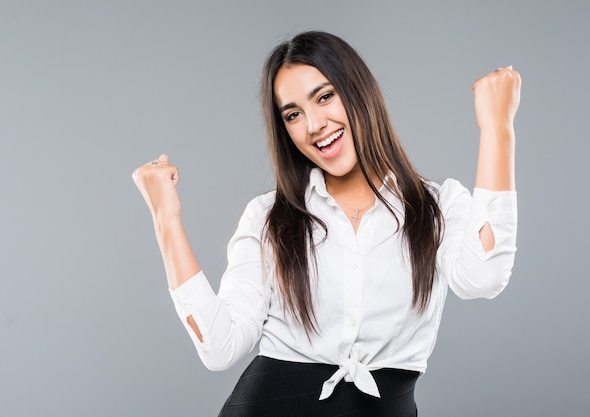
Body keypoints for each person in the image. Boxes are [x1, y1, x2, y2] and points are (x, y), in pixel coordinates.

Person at [132, 31, 520, 416]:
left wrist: (496, 129)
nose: (315, 124)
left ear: (358, 91)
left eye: (324, 96)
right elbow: (220, 347)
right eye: (294, 114)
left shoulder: (437, 206)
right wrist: (166, 219)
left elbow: (483, 277)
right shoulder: (270, 217)